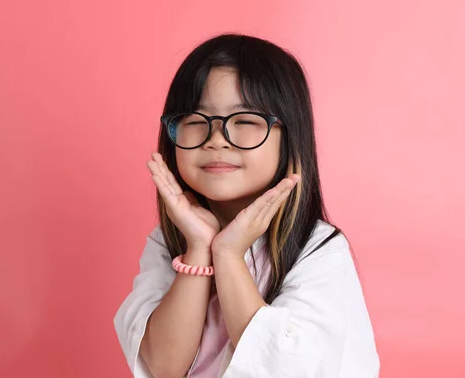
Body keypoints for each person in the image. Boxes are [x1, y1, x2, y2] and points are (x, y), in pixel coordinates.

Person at [113, 34, 380, 378]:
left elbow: (284, 369)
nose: (217, 140)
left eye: (246, 121)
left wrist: (228, 255)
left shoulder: (319, 249)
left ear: (289, 138)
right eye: (196, 121)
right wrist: (198, 248)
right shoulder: (169, 242)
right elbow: (163, 367)